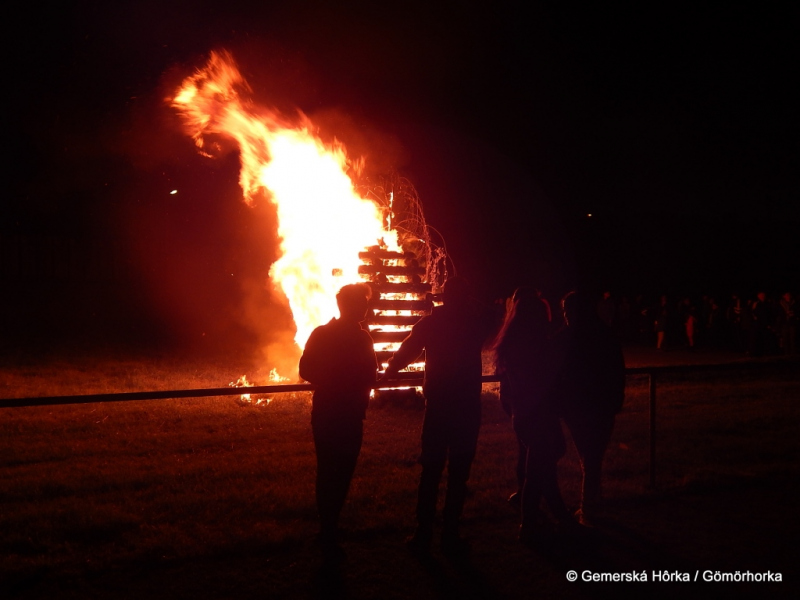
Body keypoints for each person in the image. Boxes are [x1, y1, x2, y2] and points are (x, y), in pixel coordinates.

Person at [382, 276, 495, 555]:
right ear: (466, 298)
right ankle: (450, 532)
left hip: (440, 404)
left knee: (431, 469)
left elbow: (407, 350)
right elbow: (493, 318)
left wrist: (390, 371)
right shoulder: (472, 324)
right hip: (466, 404)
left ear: (443, 297)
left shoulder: (431, 323)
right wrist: (473, 304)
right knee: (459, 471)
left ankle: (424, 532)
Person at [298, 283, 378, 558]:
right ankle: (329, 528)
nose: (366, 308)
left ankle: (328, 527)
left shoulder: (324, 334)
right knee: (339, 470)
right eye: (362, 302)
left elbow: (306, 368)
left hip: (330, 412)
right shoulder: (361, 338)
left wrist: (331, 381)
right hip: (345, 413)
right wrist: (342, 382)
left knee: (331, 470)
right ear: (349, 305)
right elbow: (370, 374)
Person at [493, 286, 576, 546]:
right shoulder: (533, 347)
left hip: (527, 411)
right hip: (534, 412)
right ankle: (529, 526)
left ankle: (558, 517)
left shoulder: (515, 342)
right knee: (538, 469)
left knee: (544, 464)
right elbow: (541, 379)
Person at [556, 290, 625, 527]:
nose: (564, 315)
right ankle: (594, 504)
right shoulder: (605, 334)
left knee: (590, 457)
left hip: (582, 406)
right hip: (598, 405)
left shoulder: (567, 338)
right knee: (592, 456)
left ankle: (589, 509)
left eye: (567, 310)